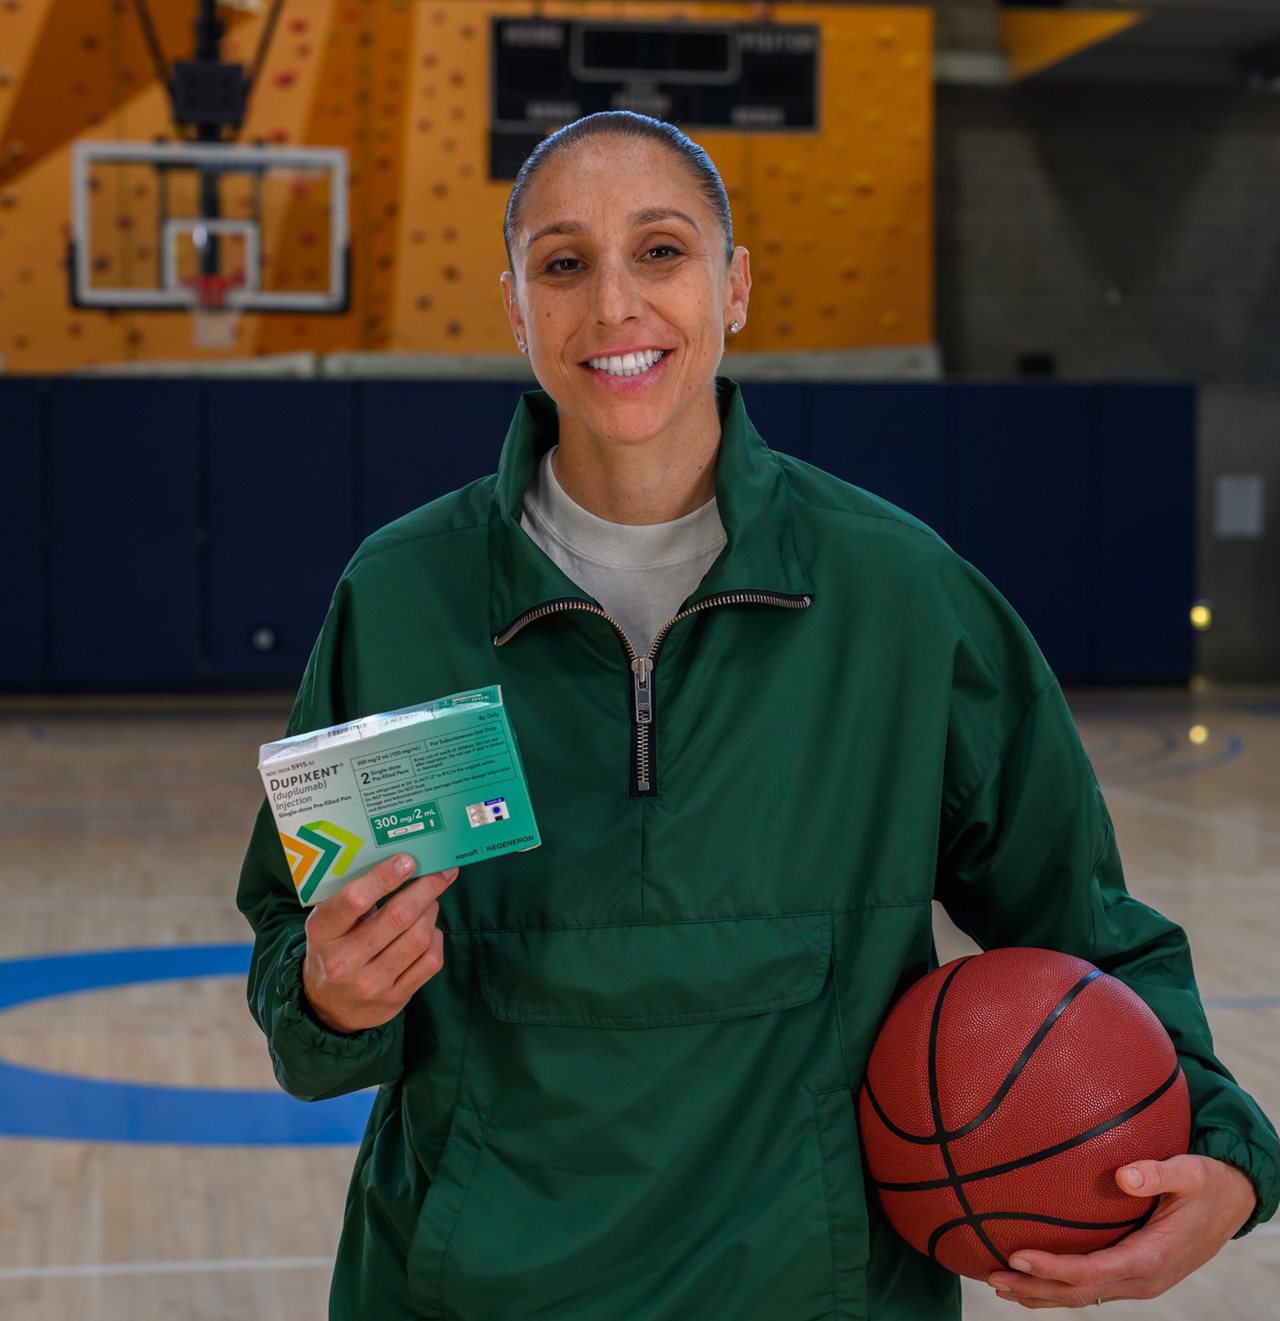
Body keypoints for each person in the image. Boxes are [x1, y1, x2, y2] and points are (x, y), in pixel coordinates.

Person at [238, 112, 1278, 1319]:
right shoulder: (402, 593)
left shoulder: (902, 593)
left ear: (732, 288)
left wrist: (1222, 1154)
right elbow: (293, 948)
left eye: (662, 252)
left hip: (818, 1291)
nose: (614, 305)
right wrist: (327, 1000)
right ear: (517, 308)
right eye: (564, 263)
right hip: (471, 1290)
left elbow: (1082, 924)